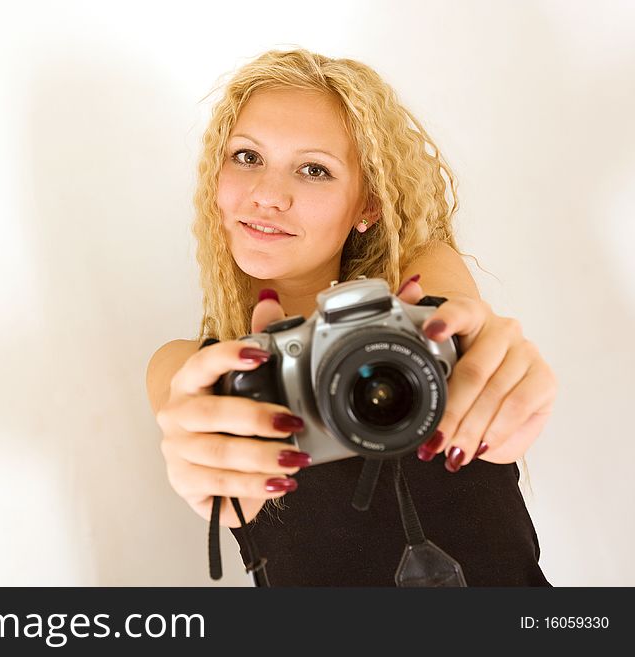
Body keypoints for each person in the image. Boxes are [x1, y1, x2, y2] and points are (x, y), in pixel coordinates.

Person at [146, 49, 556, 586]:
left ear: (368, 205)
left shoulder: (419, 284)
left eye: (314, 169)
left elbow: (459, 322)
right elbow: (195, 433)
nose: (267, 195)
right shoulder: (196, 366)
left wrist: (498, 377)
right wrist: (207, 462)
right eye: (246, 157)